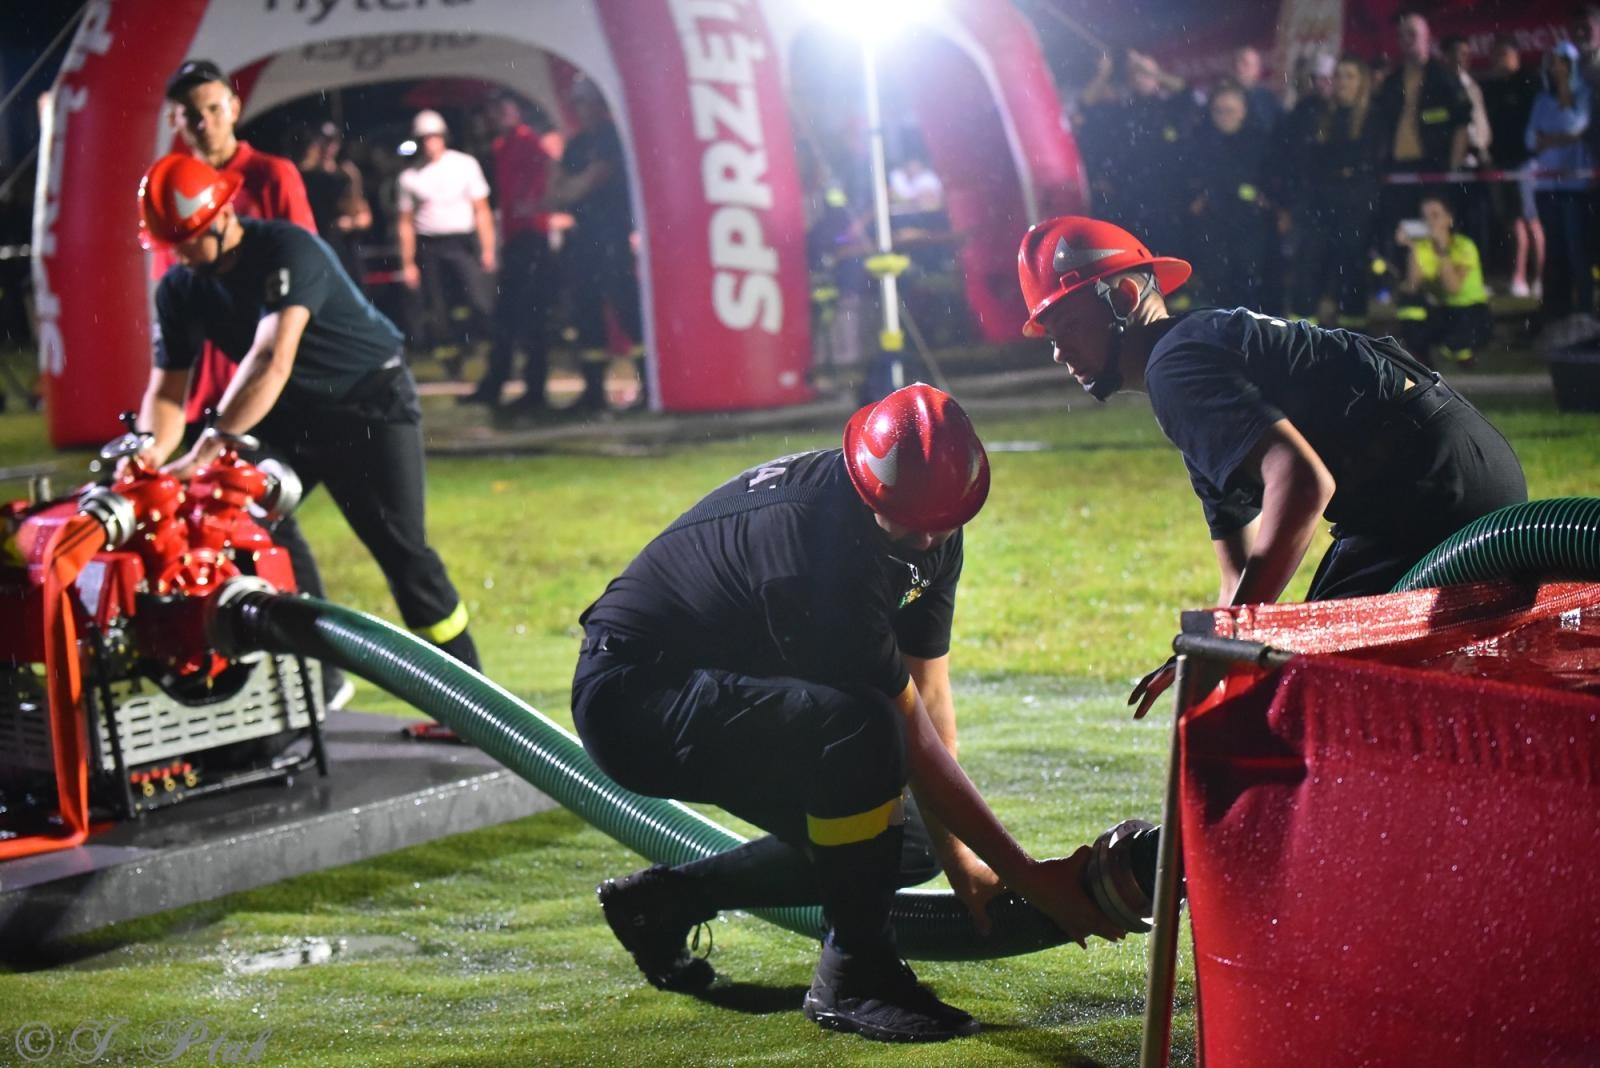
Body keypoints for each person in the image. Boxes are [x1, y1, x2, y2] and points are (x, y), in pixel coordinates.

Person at [574, 383, 1128, 1041]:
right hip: (636, 698)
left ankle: (662, 903)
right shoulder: (822, 548)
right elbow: (901, 728)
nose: (927, 539)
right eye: (912, 521)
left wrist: (961, 863)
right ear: (869, 490)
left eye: (942, 520)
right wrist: (1026, 874)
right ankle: (853, 976)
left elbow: (929, 690)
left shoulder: (927, 520)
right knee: (861, 731)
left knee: (902, 842)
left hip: (708, 678)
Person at [1016, 216, 1527, 714]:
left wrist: (1231, 638)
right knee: (1359, 694)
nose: (1059, 351)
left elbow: (1303, 483)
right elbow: (1238, 575)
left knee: (1317, 701)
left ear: (1125, 298)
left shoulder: (1174, 368)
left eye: (1068, 325)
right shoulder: (1189, 360)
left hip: (1424, 485)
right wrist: (1205, 651)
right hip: (1456, 465)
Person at [133, 153, 481, 679]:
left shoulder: (287, 249)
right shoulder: (180, 286)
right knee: (243, 520)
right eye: (170, 243)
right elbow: (165, 394)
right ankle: (320, 677)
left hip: (367, 407)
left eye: (186, 239)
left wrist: (213, 441)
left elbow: (271, 361)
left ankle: (468, 693)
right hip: (290, 416)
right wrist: (148, 453)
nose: (177, 254)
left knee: (403, 552)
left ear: (222, 216)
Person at [162, 58, 346, 708]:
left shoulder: (271, 176)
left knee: (273, 516)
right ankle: (240, 675)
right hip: (214, 395)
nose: (204, 123)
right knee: (216, 531)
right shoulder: (169, 189)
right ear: (175, 121)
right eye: (191, 114)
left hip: (270, 387)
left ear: (232, 108)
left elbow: (303, 273)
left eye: (213, 108)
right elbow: (178, 298)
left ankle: (326, 672)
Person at [546, 78, 646, 412]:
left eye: (586, 103)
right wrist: (576, 185)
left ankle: (646, 385)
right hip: (584, 237)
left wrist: (577, 185)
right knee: (585, 310)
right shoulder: (576, 144)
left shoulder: (610, 137)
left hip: (613, 234)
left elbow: (593, 179)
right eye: (578, 104)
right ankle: (592, 391)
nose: (582, 110)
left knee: (626, 307)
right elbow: (559, 190)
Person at [461, 94, 562, 414]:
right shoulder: (502, 147)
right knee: (507, 315)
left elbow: (547, 175)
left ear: (514, 112)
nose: (493, 117)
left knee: (530, 315)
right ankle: (498, 383)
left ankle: (532, 389)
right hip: (517, 238)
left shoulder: (529, 143)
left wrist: (536, 205)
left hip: (532, 236)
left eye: (499, 110)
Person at [397, 109, 496, 381]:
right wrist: (407, 263)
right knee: (437, 309)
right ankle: (452, 363)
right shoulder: (410, 177)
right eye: (424, 138)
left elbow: (482, 209)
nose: (430, 142)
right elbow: (405, 223)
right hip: (430, 246)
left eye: (434, 136)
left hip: (462, 242)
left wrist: (488, 248)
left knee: (478, 300)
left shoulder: (465, 165)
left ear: (443, 137)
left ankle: (485, 350)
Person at [1370, 12, 1471, 269]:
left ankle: (1438, 288)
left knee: (1435, 231)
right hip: (1400, 169)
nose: (1407, 40)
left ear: (1427, 37)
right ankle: (1411, 288)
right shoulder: (1392, 82)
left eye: (1412, 34)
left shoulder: (1444, 76)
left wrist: (1453, 167)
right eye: (1402, 35)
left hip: (1435, 168)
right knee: (1406, 231)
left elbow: (1462, 122)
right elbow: (1381, 127)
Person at [1290, 56, 1382, 326]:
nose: (1341, 82)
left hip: (1356, 202)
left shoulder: (1373, 116)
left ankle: (1355, 336)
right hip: (1322, 201)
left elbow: (1369, 159)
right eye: (1338, 75)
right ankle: (1301, 335)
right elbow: (1309, 159)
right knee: (1309, 264)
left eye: (1349, 76)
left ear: (1361, 81)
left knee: (1352, 268)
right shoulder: (1320, 115)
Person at [1526, 42, 1596, 328]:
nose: (1557, 69)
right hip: (1547, 186)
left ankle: (1585, 308)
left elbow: (1574, 125)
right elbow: (1531, 140)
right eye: (1553, 63)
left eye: (1562, 64)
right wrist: (1557, 139)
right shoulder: (1542, 100)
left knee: (1578, 251)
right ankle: (1559, 308)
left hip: (1575, 187)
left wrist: (1551, 137)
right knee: (1554, 252)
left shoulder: (1584, 95)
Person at [1184, 83, 1272, 310]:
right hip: (1213, 221)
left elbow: (1274, 178)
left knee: (1248, 280)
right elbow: (1190, 176)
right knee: (1216, 281)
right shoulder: (1202, 140)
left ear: (1243, 110)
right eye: (1218, 111)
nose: (1224, 117)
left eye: (1230, 110)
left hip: (1249, 221)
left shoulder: (1260, 140)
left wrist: (1268, 199)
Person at [1480, 37, 1545, 299]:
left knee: (1532, 222)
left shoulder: (1529, 83)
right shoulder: (1490, 89)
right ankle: (1518, 276)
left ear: (1517, 56)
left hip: (1526, 162)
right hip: (1501, 162)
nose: (1501, 59)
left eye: (1505, 53)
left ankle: (1539, 278)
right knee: (1513, 223)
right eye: (1496, 55)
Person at [1396, 194, 1492, 367]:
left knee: (1458, 338)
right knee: (1408, 301)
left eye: (1435, 216)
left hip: (1470, 310)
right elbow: (1412, 286)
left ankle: (1461, 354)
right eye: (1424, 217)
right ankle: (1421, 356)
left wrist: (1442, 251)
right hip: (1443, 310)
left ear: (1449, 219)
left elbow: (1452, 287)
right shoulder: (1422, 247)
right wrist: (1412, 249)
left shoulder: (1464, 246)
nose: (1429, 222)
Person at [298, 121, 372, 291]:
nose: (329, 147)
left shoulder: (346, 175)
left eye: (333, 142)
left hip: (345, 249)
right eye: (324, 141)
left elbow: (365, 216)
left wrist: (351, 223)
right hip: (317, 246)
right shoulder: (305, 176)